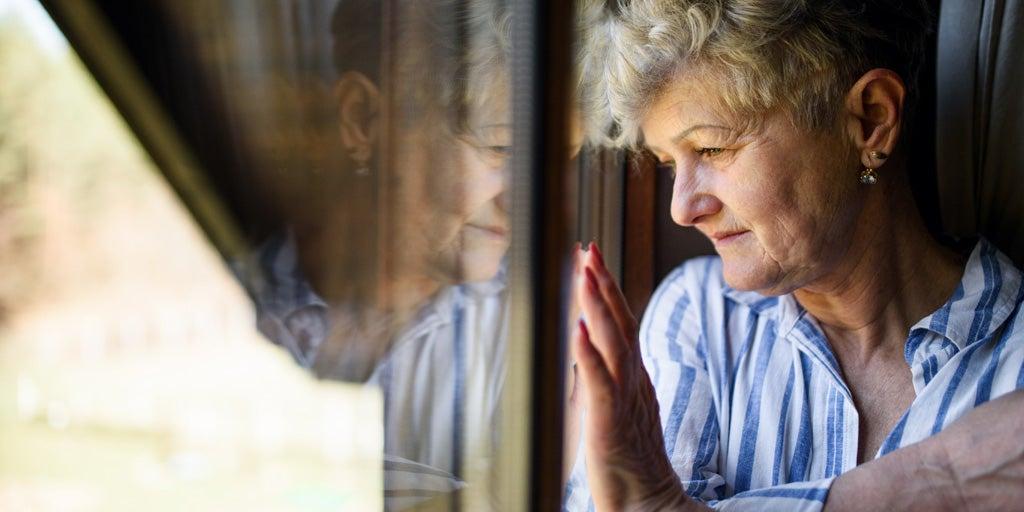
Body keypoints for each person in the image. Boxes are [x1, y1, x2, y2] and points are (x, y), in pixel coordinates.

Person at [565, 0, 1024, 510]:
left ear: (870, 120)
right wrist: (934, 485)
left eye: (713, 149)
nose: (682, 209)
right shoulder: (700, 316)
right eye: (670, 163)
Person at [232, 0, 513, 508]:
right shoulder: (223, 296)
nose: (533, 201)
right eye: (501, 149)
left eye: (562, 161)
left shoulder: (546, 335)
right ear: (363, 120)